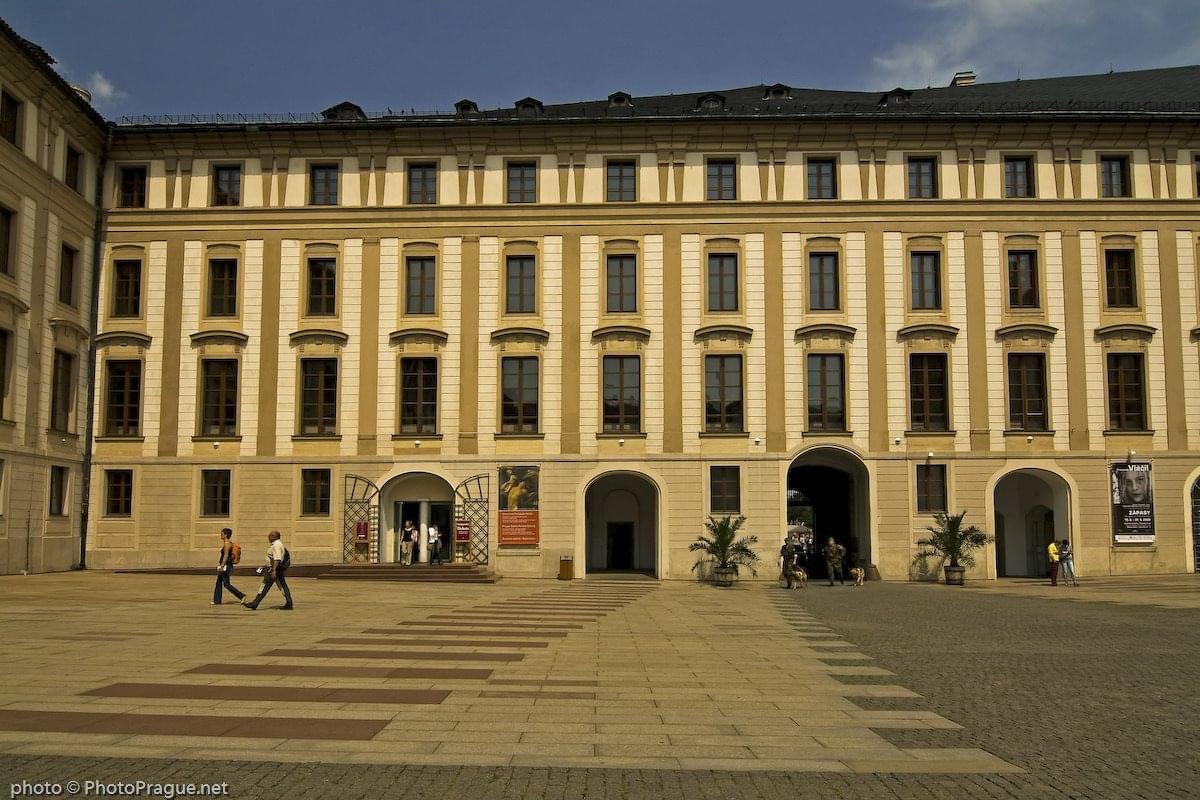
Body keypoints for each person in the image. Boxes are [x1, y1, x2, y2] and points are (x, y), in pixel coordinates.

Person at [244, 531, 293, 610]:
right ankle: (289, 603)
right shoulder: (278, 544)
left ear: (275, 536)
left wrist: (273, 570)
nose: (268, 537)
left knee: (265, 586)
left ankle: (255, 603)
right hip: (275, 568)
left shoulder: (276, 545)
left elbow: (277, 559)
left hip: (273, 569)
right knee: (282, 586)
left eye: (270, 535)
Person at [211, 527, 244, 605]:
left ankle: (242, 596)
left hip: (226, 566)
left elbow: (225, 556)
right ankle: (217, 600)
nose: (221, 535)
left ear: (226, 534)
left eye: (222, 534)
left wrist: (222, 565)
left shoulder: (227, 544)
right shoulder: (228, 543)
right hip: (225, 565)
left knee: (226, 584)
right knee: (218, 582)